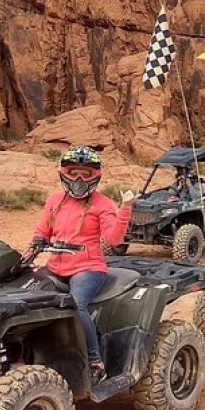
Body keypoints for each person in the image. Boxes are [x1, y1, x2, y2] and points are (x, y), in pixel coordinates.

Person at [32, 146, 135, 385]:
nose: (79, 180)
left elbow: (113, 239)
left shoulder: (103, 204)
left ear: (95, 177)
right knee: (28, 298)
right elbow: (42, 229)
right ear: (64, 173)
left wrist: (125, 210)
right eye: (74, 173)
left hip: (87, 269)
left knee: (76, 305)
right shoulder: (55, 200)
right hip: (55, 267)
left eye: (85, 174)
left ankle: (96, 362)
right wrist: (37, 241)